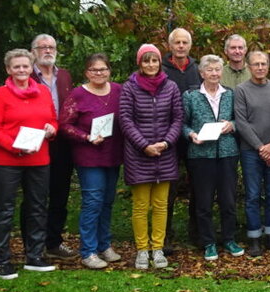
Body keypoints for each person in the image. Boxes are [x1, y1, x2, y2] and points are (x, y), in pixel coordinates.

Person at [0, 48, 59, 278]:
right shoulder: (0, 94)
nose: (21, 70)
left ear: (31, 68)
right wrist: (15, 146)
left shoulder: (44, 93)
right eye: (16, 66)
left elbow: (52, 120)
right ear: (8, 69)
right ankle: (2, 260)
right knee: (4, 210)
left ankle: (34, 255)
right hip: (6, 160)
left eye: (25, 66)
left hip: (38, 158)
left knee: (37, 207)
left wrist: (51, 129)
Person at [120, 43, 183, 269]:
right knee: (140, 205)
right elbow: (125, 119)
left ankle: (157, 248)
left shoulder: (171, 87)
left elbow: (177, 118)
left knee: (161, 205)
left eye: (154, 60)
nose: (150, 65)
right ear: (140, 63)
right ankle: (141, 250)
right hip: (139, 155)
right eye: (146, 61)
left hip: (165, 153)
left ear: (160, 62)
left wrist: (166, 142)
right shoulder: (130, 87)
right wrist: (144, 145)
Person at [59, 53, 124, 269]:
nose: (99, 73)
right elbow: (65, 125)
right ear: (87, 72)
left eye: (103, 69)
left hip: (112, 153)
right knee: (93, 201)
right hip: (89, 155)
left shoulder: (117, 90)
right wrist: (86, 137)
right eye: (94, 70)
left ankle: (104, 245)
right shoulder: (78, 94)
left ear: (109, 71)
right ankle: (88, 250)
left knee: (107, 201)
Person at [184, 54, 244, 261]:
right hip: (201, 155)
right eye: (209, 70)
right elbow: (182, 123)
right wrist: (190, 134)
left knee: (228, 200)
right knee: (204, 201)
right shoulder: (191, 96)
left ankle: (229, 239)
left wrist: (232, 125)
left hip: (227, 153)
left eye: (217, 69)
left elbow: (240, 120)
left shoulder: (230, 94)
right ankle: (208, 242)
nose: (214, 73)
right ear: (201, 73)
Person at [234, 51, 270, 256]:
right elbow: (241, 122)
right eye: (256, 64)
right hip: (251, 152)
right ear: (248, 66)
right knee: (253, 195)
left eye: (263, 64)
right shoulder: (241, 90)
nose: (260, 67)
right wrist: (260, 148)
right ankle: (254, 237)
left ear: (269, 66)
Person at [30, 34, 75, 262]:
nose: (47, 50)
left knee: (60, 194)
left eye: (51, 47)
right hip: (35, 142)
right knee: (35, 196)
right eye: (42, 47)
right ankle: (33, 245)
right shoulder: (26, 75)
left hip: (63, 144)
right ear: (34, 51)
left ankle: (53, 242)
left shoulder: (64, 76)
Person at [161, 26, 202, 250]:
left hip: (194, 136)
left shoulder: (197, 69)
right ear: (170, 45)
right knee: (169, 187)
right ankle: (165, 234)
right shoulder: (161, 69)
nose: (181, 46)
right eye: (177, 42)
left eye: (185, 42)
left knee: (198, 185)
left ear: (190, 45)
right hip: (169, 137)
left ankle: (196, 232)